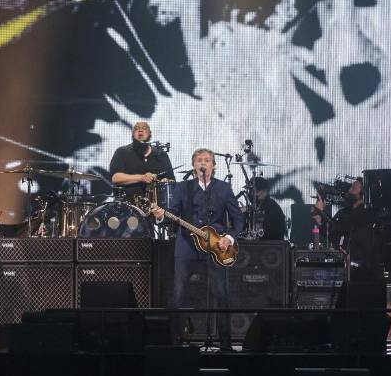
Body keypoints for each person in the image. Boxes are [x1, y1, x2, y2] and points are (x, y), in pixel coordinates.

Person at [151, 148, 243, 350]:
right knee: (178, 295)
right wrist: (160, 215)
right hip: (186, 246)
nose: (203, 163)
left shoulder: (224, 189)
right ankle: (176, 344)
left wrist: (228, 238)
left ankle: (226, 346)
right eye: (199, 160)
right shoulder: (184, 188)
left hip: (217, 247)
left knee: (222, 295)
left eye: (207, 160)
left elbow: (238, 221)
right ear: (194, 166)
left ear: (214, 165)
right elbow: (172, 214)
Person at [312, 178, 384, 282]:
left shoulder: (368, 214)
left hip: (364, 274)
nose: (349, 190)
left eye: (354, 188)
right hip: (347, 269)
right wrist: (318, 217)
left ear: (365, 195)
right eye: (351, 187)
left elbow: (341, 229)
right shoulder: (344, 212)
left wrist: (322, 212)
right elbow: (333, 235)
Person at [108, 121, 173, 204]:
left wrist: (165, 181)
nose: (140, 130)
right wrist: (141, 177)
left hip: (157, 207)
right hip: (129, 205)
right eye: (137, 128)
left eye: (144, 128)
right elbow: (115, 177)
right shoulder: (122, 152)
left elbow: (171, 180)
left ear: (150, 133)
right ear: (133, 134)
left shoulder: (161, 155)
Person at [249, 177, 286, 241]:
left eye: (254, 191)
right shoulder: (257, 206)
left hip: (270, 246)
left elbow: (268, 232)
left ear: (264, 191)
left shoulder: (272, 207)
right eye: (250, 191)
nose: (251, 194)